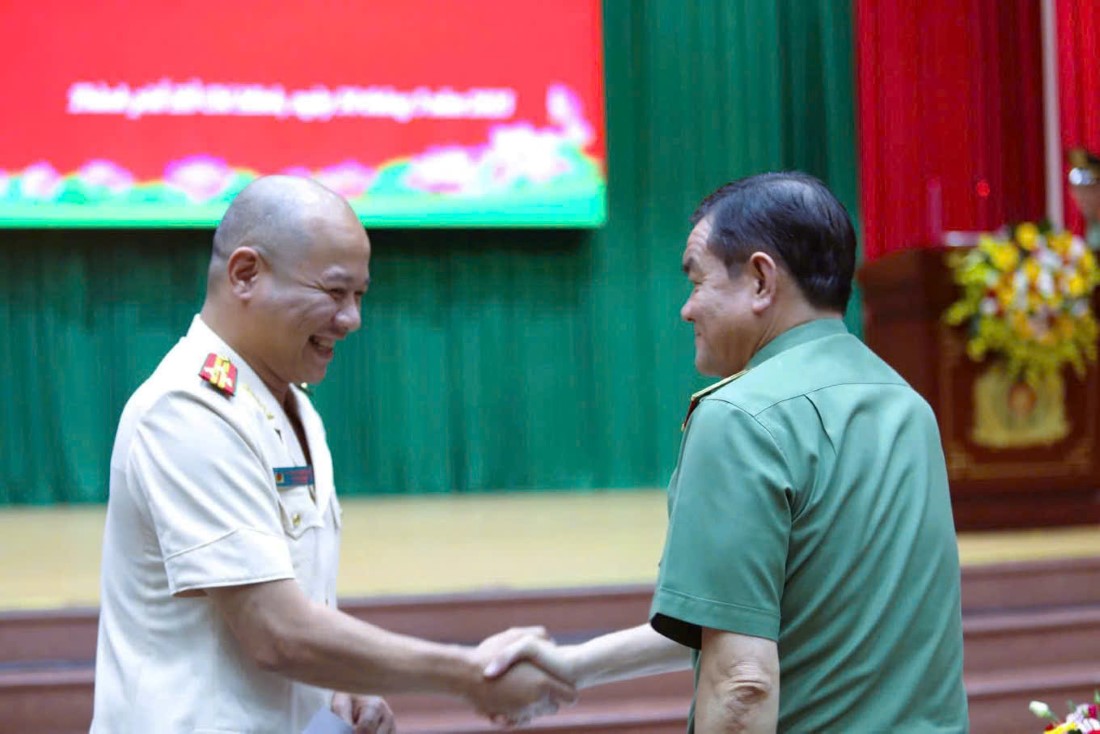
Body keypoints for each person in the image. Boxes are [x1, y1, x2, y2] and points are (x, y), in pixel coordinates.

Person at [486, 172, 969, 732]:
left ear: (762, 280)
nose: (686, 310)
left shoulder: (741, 417)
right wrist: (574, 666)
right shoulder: (908, 405)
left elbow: (742, 682)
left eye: (696, 282)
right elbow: (757, 619)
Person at [90, 175, 574, 734]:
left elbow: (294, 600)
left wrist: (339, 686)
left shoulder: (290, 404)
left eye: (360, 296)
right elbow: (275, 631)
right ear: (245, 274)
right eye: (334, 291)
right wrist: (469, 672)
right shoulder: (188, 409)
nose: (352, 319)